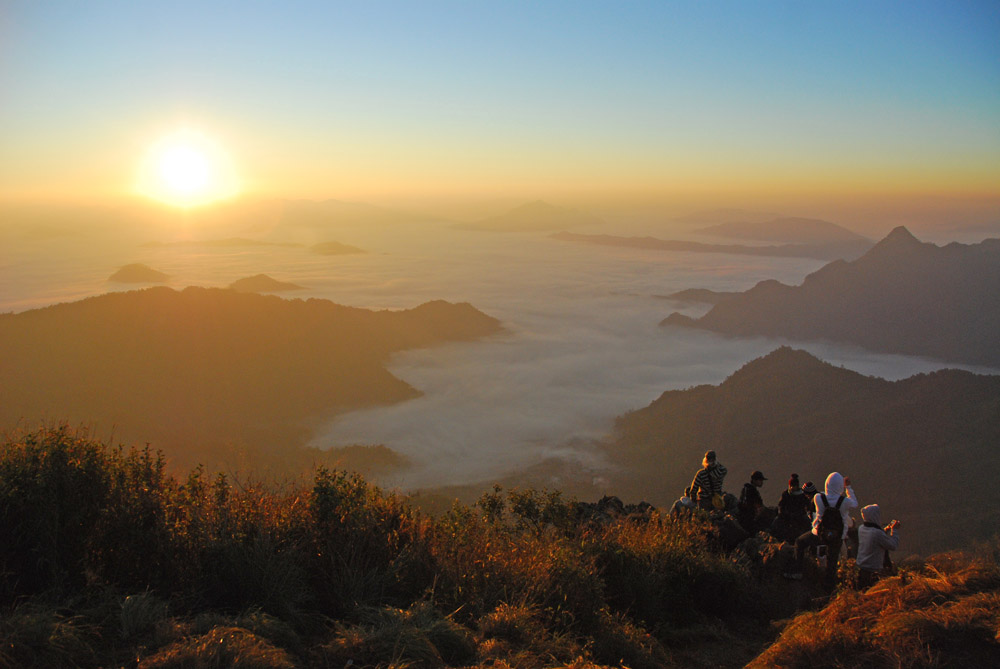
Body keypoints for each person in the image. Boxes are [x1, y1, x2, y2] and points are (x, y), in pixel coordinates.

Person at [785, 472, 859, 589]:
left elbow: (824, 498)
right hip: (837, 537)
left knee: (800, 542)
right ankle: (829, 588)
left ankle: (797, 572)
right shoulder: (844, 502)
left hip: (818, 534)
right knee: (832, 563)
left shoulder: (818, 498)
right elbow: (855, 503)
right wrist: (848, 488)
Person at [856, 504, 900, 589]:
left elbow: (873, 538)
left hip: (861, 570)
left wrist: (885, 530)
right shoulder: (877, 533)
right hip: (873, 571)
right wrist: (894, 530)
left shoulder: (862, 528)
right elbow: (893, 545)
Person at [772, 474, 811, 542]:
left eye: (793, 486)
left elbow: (807, 505)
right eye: (791, 486)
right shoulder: (785, 493)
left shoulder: (802, 494)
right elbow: (781, 505)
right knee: (776, 523)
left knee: (808, 524)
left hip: (799, 515)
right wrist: (783, 513)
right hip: (787, 515)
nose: (792, 488)